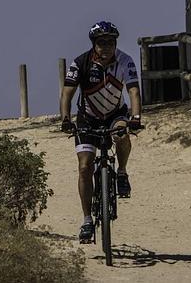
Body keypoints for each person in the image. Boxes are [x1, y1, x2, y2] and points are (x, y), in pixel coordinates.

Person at [59, 20, 142, 243]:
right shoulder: (80, 63)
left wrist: (135, 117)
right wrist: (66, 119)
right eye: (101, 43)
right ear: (94, 45)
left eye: (110, 43)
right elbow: (67, 93)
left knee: (121, 133)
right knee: (85, 167)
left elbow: (133, 90)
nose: (106, 47)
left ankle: (122, 172)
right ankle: (87, 220)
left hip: (116, 114)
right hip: (88, 117)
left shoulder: (125, 61)